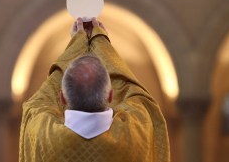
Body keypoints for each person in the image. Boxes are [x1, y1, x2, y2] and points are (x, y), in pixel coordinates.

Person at [19, 18, 170, 162]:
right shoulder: (134, 134)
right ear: (111, 95)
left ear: (62, 97)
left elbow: (39, 100)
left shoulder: (43, 135)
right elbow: (136, 93)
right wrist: (101, 41)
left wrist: (76, 44)